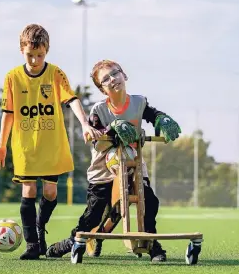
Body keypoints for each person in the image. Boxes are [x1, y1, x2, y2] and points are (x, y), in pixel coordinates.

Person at [46, 59, 181, 262]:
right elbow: (97, 142)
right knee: (94, 212)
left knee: (149, 202)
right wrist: (112, 128)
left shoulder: (138, 102)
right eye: (105, 79)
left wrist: (162, 119)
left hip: (133, 161)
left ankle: (151, 244)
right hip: (103, 166)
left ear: (124, 75)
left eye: (115, 73)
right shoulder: (99, 110)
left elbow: (152, 115)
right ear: (102, 89)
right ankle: (74, 240)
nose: (112, 79)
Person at [0, 24, 101, 260]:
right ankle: (32, 245)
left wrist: (84, 123)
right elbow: (8, 113)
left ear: (47, 51)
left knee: (50, 193)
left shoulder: (55, 73)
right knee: (28, 191)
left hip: (52, 145)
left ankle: (40, 227)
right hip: (25, 146)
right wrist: (1, 145)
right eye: (31, 55)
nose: (36, 60)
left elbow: (72, 99)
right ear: (22, 50)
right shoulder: (13, 77)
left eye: (40, 55)